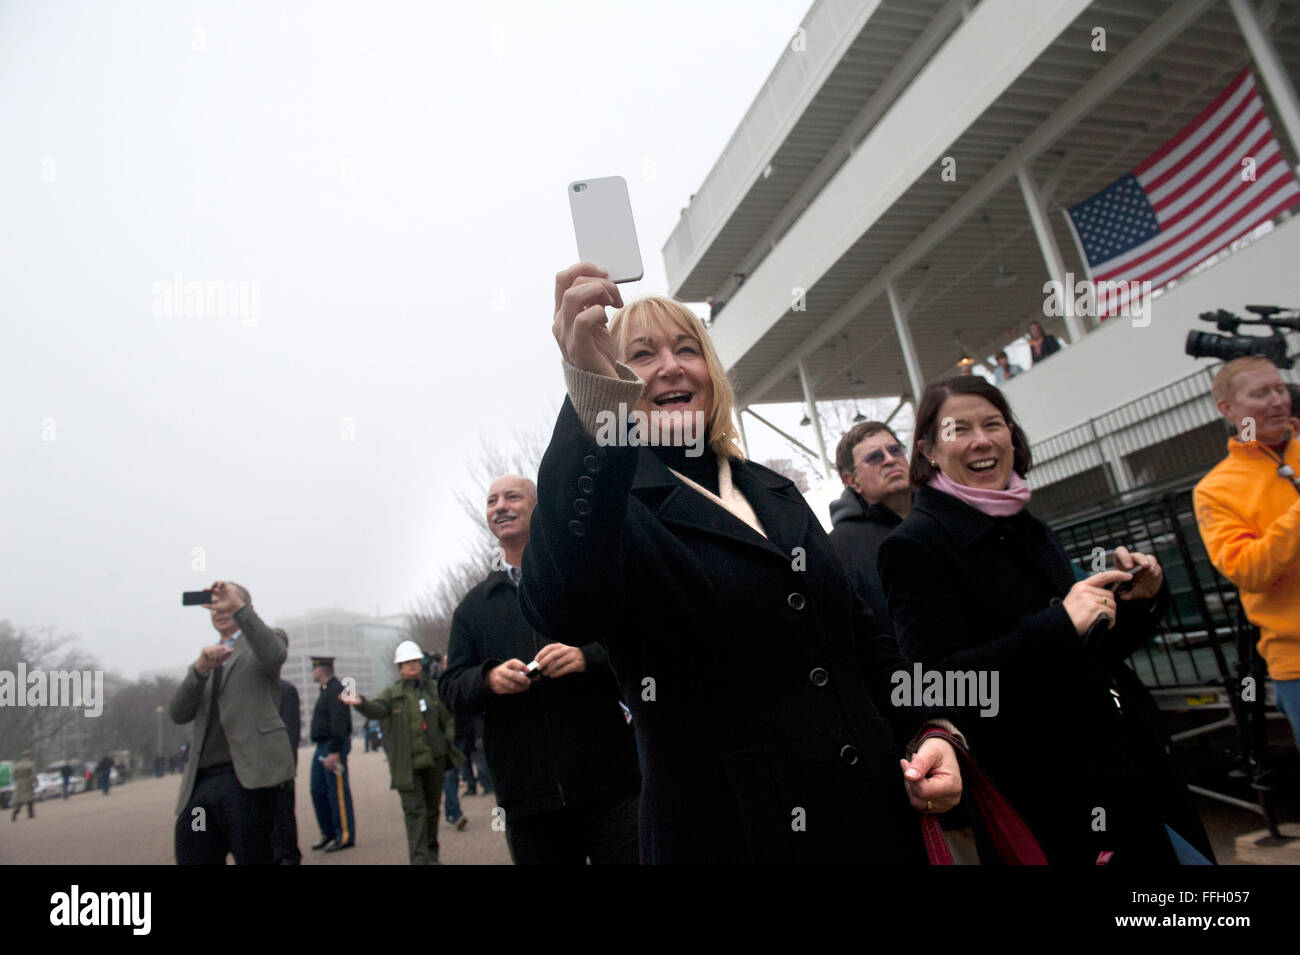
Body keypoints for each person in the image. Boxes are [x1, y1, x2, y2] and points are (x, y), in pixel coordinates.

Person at [517, 263, 964, 865]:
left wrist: (931, 729)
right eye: (642, 355)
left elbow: (857, 643)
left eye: (686, 349)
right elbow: (562, 602)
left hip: (873, 822)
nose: (671, 366)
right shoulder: (610, 507)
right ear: (615, 380)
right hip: (732, 835)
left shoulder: (775, 491)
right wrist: (597, 408)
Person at [877, 376, 1213, 864]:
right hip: (1049, 794)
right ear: (928, 449)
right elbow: (936, 683)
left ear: (1012, 435)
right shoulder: (913, 546)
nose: (981, 439)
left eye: (993, 423)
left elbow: (1092, 655)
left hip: (1132, 771)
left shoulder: (1028, 527)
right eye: (959, 429)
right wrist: (1058, 626)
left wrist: (1140, 601)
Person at [440, 473, 642, 865]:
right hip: (527, 801)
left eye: (512, 497)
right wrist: (487, 679)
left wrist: (588, 657)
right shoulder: (472, 609)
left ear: (539, 506)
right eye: (492, 501)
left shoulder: (581, 580)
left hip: (610, 787)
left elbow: (635, 646)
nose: (500, 506)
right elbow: (449, 688)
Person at [1195, 357, 1300, 748]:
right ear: (1227, 409)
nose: (1277, 401)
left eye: (1279, 388)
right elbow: (1247, 569)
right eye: (1260, 394)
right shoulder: (1216, 489)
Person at [168, 580, 295, 865]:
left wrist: (238, 608)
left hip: (244, 780)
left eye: (227, 603)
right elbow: (177, 713)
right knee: (194, 850)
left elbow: (274, 655)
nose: (219, 610)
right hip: (202, 784)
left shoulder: (265, 642)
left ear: (244, 607)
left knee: (254, 854)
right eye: (214, 606)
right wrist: (200, 670)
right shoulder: (206, 657)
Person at [346, 641, 463, 865]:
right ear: (399, 667)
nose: (412, 666)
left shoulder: (433, 689)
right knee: (414, 812)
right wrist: (360, 702)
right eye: (407, 663)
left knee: (431, 810)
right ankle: (420, 860)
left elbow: (448, 717)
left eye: (415, 661)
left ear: (421, 663)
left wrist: (447, 738)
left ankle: (431, 856)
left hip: (435, 759)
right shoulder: (392, 694)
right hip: (407, 764)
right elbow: (377, 709)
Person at [828, 421, 912, 633]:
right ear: (853, 481)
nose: (891, 460)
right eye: (875, 457)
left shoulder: (941, 515)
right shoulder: (837, 548)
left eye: (895, 450)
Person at [309, 655, 356, 852]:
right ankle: (328, 832)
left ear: (321, 669)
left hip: (332, 746)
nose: (312, 672)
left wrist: (336, 750)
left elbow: (339, 723)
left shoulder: (336, 689)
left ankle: (344, 834)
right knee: (318, 790)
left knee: (337, 792)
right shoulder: (326, 691)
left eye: (314, 668)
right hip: (322, 746)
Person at [271, 676, 302, 864]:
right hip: (254, 768)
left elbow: (291, 732)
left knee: (283, 814)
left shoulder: (285, 689)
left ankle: (288, 855)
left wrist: (287, 768)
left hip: (280, 766)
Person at [10, 751, 36, 820]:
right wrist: (35, 782)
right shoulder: (30, 764)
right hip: (27, 782)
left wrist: (17, 780)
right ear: (28, 756)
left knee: (19, 799)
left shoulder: (17, 765)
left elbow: (13, 775)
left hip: (19, 783)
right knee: (30, 799)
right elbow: (33, 774)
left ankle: (15, 812)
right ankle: (31, 814)